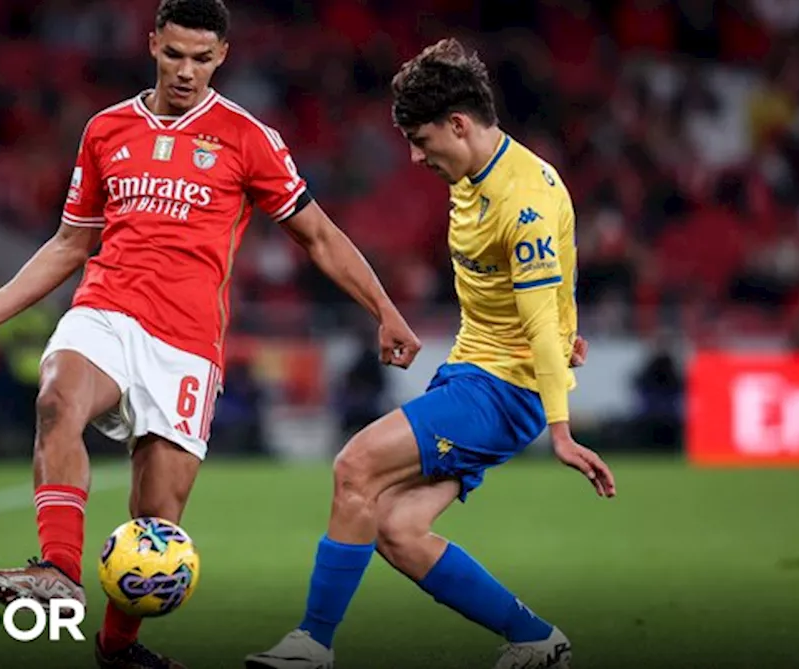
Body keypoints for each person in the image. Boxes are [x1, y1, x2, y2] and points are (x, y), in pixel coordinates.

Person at [0, 1, 421, 667]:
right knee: (57, 398)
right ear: (152, 45)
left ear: (222, 57)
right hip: (105, 309)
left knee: (156, 525)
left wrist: (383, 307)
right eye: (174, 55)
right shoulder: (106, 130)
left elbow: (318, 235)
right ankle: (57, 567)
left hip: (187, 345)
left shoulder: (247, 137)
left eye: (201, 58)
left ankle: (118, 648)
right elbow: (71, 242)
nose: (186, 71)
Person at [245, 39, 616, 669]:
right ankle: (536, 639)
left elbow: (534, 312)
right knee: (395, 528)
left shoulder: (522, 202)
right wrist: (560, 325)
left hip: (506, 389)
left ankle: (312, 644)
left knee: (353, 466)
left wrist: (561, 429)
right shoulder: (475, 173)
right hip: (472, 371)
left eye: (421, 140)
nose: (416, 158)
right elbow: (544, 293)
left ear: (459, 124)